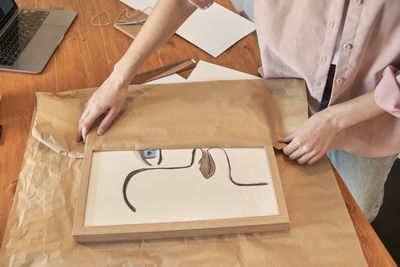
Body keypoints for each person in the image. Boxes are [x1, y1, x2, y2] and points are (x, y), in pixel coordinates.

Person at [77, 0, 400, 222]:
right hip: (285, 91)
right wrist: (121, 76)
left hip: (376, 116)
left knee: (355, 212)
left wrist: (336, 118)